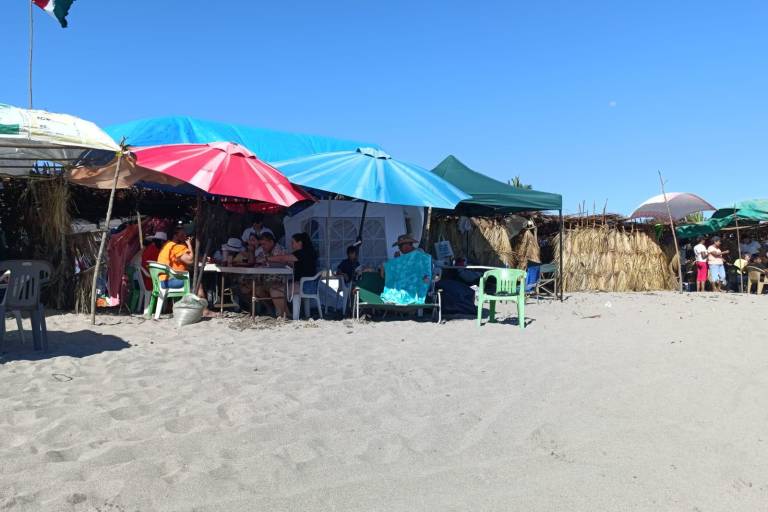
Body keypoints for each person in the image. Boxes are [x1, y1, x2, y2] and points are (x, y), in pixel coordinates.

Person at [266, 232, 318, 317]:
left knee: (274, 290)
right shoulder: (308, 252)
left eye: (293, 242)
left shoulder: (300, 253)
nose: (291, 245)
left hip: (304, 285)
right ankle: (286, 314)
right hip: (310, 284)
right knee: (274, 288)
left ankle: (286, 315)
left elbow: (282, 258)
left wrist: (266, 259)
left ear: (300, 243)